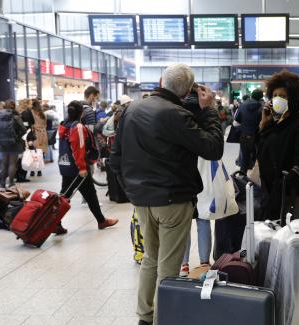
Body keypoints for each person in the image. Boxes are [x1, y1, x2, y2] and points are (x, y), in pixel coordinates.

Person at [109, 64, 223, 325]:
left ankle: (145, 317)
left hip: (142, 200)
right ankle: (164, 319)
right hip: (173, 199)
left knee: (150, 258)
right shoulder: (178, 115)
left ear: (161, 81)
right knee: (168, 267)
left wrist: (132, 191)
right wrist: (210, 111)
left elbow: (115, 159)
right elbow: (213, 148)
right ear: (187, 91)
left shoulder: (132, 108)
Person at [257, 70, 299, 224]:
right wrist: (263, 124)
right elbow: (260, 152)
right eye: (274, 95)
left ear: (293, 99)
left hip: (286, 195)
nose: (277, 99)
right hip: (268, 191)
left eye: (283, 96)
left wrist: (283, 185)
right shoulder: (273, 123)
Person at [56, 101, 118, 235]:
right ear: (81, 113)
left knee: (67, 196)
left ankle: (55, 223)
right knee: (84, 195)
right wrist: (82, 167)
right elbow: (78, 148)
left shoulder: (63, 125)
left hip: (66, 165)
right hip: (77, 169)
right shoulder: (77, 127)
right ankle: (101, 221)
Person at [179, 83, 216, 277]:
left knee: (184, 221)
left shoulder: (178, 110)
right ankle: (204, 262)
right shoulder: (206, 111)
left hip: (184, 171)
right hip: (205, 171)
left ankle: (183, 264)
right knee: (203, 220)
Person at [0, 101, 26, 188]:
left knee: (4, 163)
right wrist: (17, 137)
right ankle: (11, 182)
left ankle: (2, 183)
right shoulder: (16, 117)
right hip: (14, 143)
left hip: (2, 143)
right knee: (12, 163)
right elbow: (24, 129)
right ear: (14, 107)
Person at [235, 89, 264, 173]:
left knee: (244, 158)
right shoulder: (262, 107)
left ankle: (242, 178)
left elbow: (236, 121)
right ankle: (257, 180)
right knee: (259, 159)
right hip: (257, 136)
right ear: (261, 97)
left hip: (244, 135)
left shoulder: (242, 105)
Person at [29, 99, 48, 177]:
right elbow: (45, 125)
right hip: (43, 134)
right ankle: (39, 170)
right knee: (40, 153)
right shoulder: (43, 114)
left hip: (35, 134)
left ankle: (33, 171)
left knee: (33, 153)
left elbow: (31, 124)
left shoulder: (32, 114)